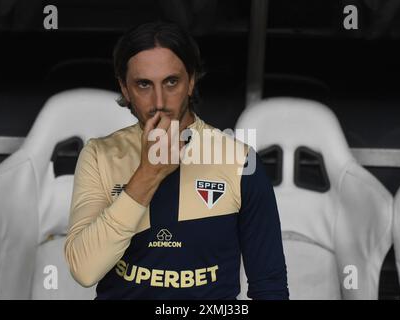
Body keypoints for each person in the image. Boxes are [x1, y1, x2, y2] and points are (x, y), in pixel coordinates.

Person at [64, 21, 288, 299]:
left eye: (171, 82)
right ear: (124, 88)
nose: (159, 101)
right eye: (144, 84)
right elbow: (84, 270)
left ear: (191, 81)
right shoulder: (99, 155)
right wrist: (146, 175)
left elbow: (270, 287)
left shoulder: (239, 160)